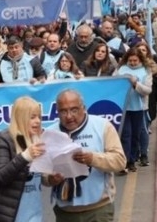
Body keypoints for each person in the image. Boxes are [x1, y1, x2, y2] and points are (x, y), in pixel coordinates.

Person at [44, 90, 126, 222]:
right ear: (57, 112)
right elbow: (42, 173)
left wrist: (92, 159)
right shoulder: (49, 134)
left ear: (84, 108)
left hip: (99, 210)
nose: (69, 116)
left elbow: (120, 161)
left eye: (74, 110)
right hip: (65, 212)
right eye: (63, 111)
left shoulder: (102, 126)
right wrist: (50, 179)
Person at [0, 96, 46, 222]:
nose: (37, 121)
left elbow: (37, 175)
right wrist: (25, 157)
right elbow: (0, 176)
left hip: (32, 212)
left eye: (39, 117)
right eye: (32, 117)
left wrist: (51, 178)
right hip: (3, 214)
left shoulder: (39, 139)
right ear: (20, 118)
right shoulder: (3, 139)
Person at [114, 47, 152, 173]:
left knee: (135, 135)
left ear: (140, 60)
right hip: (124, 108)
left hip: (138, 108)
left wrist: (136, 84)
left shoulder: (145, 71)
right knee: (126, 134)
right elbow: (112, 83)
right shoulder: (121, 70)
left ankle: (132, 159)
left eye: (135, 61)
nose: (132, 63)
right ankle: (124, 162)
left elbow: (147, 90)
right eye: (130, 60)